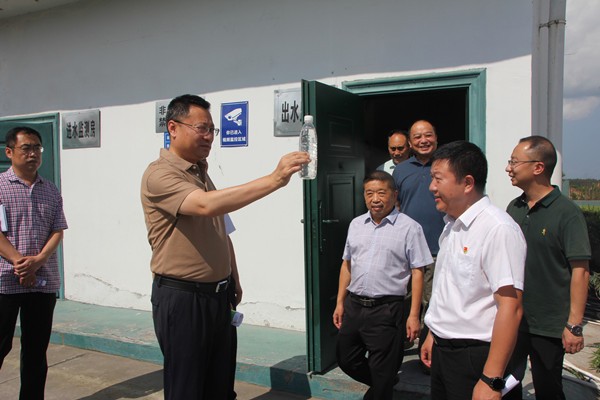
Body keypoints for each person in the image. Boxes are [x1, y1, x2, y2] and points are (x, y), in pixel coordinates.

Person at [140, 94, 309, 400]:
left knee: (219, 387)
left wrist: (233, 277)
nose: (208, 136)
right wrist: (274, 179)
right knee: (187, 390)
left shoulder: (200, 173)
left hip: (218, 296)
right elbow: (205, 206)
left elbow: (222, 229)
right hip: (184, 299)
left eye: (212, 130)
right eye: (201, 128)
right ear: (173, 128)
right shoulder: (160, 175)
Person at [420, 140, 526, 400]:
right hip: (444, 352)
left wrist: (491, 379)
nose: (431, 187)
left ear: (467, 183)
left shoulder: (498, 229)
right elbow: (449, 290)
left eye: (438, 179)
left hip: (477, 358)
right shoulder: (451, 225)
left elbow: (511, 307)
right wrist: (434, 333)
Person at [333, 170, 432, 400]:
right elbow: (346, 265)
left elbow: (418, 272)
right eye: (369, 193)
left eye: (381, 193)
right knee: (346, 359)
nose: (375, 199)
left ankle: (382, 384)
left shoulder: (410, 228)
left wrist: (414, 315)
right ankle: (384, 382)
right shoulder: (356, 224)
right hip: (354, 306)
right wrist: (340, 302)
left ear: (394, 195)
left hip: (386, 310)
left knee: (382, 370)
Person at [505, 136, 591, 399]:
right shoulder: (514, 208)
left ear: (538, 167)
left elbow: (580, 271)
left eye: (514, 162)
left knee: (548, 389)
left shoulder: (567, 213)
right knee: (506, 385)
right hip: (513, 318)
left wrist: (574, 325)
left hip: (548, 325)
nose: (509, 168)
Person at [0, 126, 68, 400]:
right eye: (25, 148)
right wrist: (20, 263)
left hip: (42, 282)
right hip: (5, 282)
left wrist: (38, 261)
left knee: (36, 352)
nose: (32, 154)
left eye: (36, 148)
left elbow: (57, 230)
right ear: (9, 152)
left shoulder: (50, 190)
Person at [391, 120, 445, 365]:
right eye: (417, 137)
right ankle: (399, 348)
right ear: (410, 143)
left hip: (437, 249)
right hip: (407, 252)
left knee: (432, 304)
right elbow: (396, 206)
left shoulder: (446, 165)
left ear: (436, 138)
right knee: (403, 301)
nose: (424, 140)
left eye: (428, 135)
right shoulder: (401, 170)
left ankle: (427, 357)